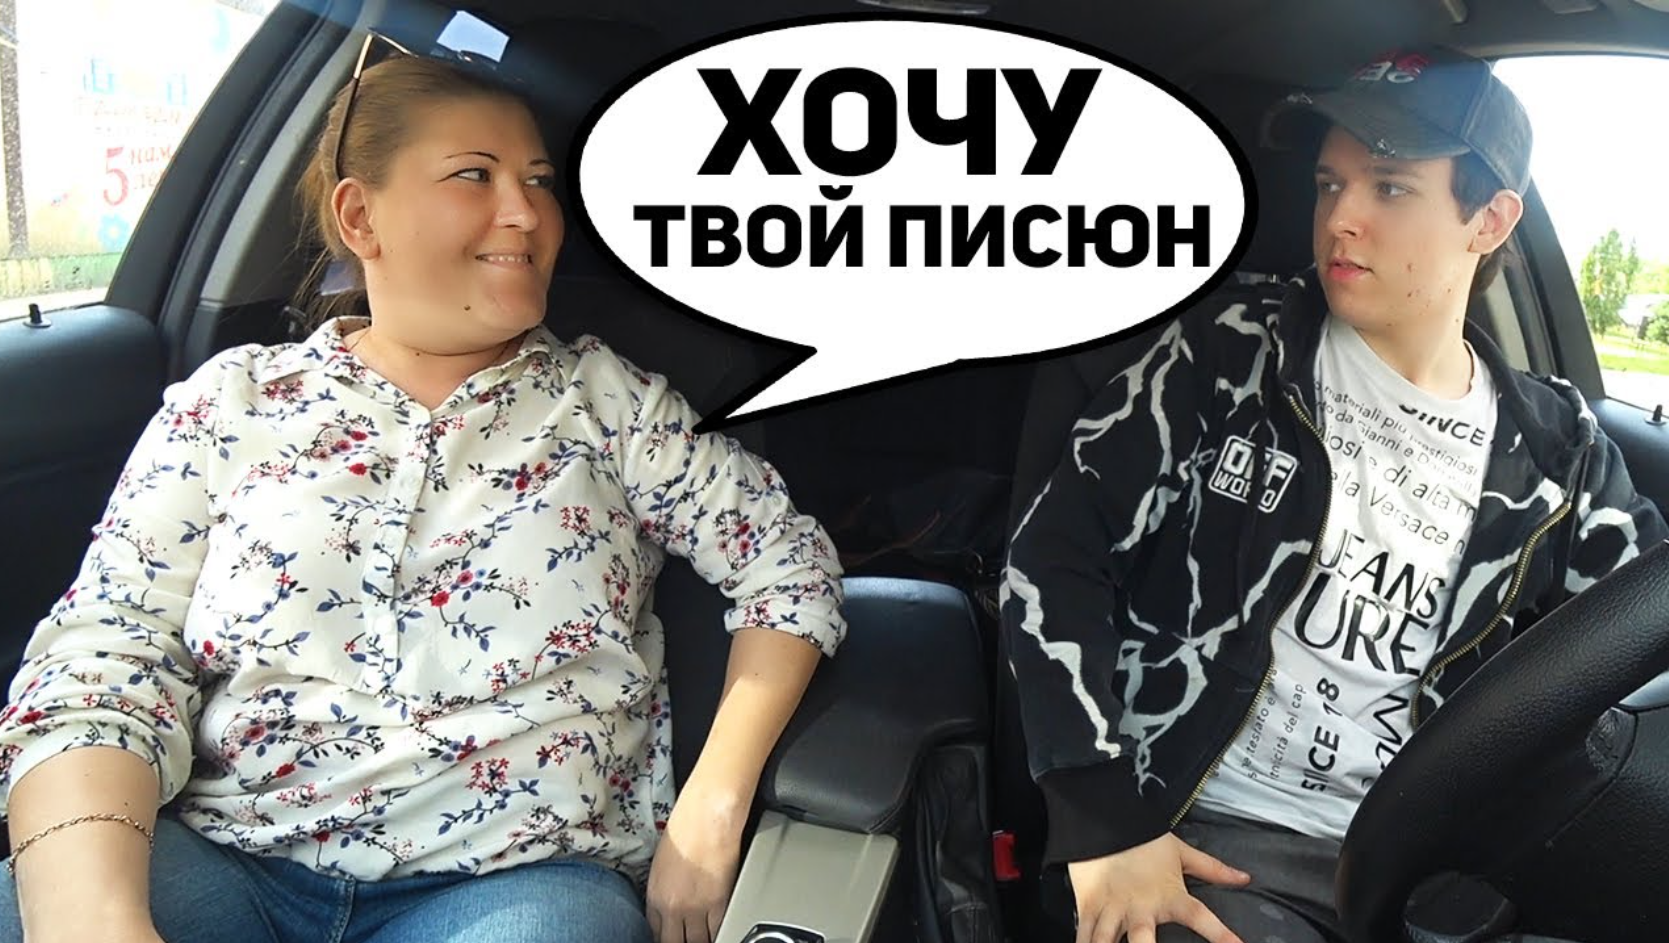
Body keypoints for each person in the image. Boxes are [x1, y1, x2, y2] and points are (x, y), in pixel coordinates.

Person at [0, 44, 845, 943]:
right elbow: (106, 655)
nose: (526, 211)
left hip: (512, 886)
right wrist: (93, 921)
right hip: (229, 856)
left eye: (538, 181)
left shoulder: (612, 407)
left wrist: (710, 807)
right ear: (359, 216)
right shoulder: (232, 402)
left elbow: (790, 569)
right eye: (474, 175)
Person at [1000, 47, 1666, 943]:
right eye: (1328, 184)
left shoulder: (1560, 452)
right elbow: (1053, 556)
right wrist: (1100, 814)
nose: (1339, 218)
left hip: (1432, 870)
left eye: (1388, 187)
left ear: (1489, 220)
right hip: (1203, 839)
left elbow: (1639, 646)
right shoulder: (1229, 353)